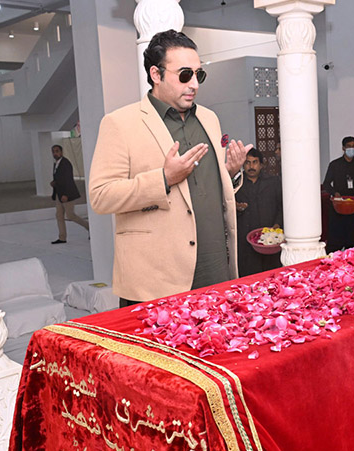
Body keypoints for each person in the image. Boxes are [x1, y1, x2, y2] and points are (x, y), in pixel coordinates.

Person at [88, 30, 251, 307]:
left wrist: (231, 172)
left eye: (199, 75)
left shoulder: (209, 118)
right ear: (156, 74)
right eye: (184, 75)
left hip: (214, 266)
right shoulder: (120, 123)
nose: (194, 85)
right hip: (156, 277)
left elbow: (209, 185)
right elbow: (101, 196)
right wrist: (164, 179)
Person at [235, 147, 283, 277]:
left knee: (271, 274)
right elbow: (228, 207)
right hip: (246, 238)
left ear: (261, 165)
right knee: (249, 275)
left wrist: (277, 225)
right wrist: (236, 207)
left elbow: (281, 206)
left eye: (255, 162)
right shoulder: (237, 184)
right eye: (247, 162)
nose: (251, 166)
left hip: (269, 238)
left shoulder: (273, 182)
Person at [321, 136, 354, 253]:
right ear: (343, 148)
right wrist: (334, 193)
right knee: (336, 241)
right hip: (339, 208)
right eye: (349, 146)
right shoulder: (335, 165)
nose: (351, 149)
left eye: (353, 147)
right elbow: (326, 183)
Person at [50, 144, 89, 244]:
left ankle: (89, 227)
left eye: (57, 151)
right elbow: (60, 178)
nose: (55, 153)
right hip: (59, 194)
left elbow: (68, 180)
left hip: (67, 195)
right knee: (59, 215)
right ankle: (62, 237)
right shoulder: (56, 164)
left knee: (70, 215)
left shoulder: (65, 163)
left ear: (61, 152)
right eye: (53, 151)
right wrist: (54, 183)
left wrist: (66, 195)